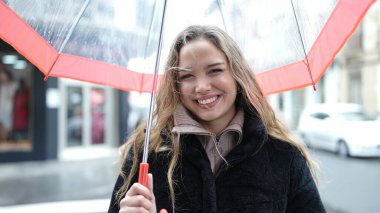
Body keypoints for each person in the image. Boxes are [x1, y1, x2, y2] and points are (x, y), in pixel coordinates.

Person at [108, 25, 326, 213]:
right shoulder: (146, 153)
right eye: (187, 76)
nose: (202, 87)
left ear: (237, 74)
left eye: (214, 71)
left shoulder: (283, 156)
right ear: (176, 85)